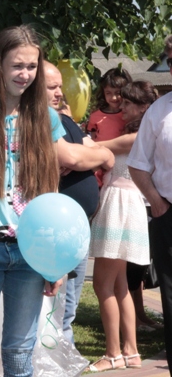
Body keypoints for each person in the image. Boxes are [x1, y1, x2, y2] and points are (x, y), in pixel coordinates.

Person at [0, 25, 66, 377]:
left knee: (20, 354)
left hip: (31, 250)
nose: (25, 74)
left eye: (32, 66)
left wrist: (54, 257)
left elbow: (50, 189)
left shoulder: (46, 118)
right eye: (17, 65)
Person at [86, 81, 157, 371]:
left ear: (143, 108)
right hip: (128, 205)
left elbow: (97, 148)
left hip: (119, 204)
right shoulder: (140, 134)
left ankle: (113, 354)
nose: (120, 106)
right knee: (120, 285)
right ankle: (131, 351)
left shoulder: (135, 137)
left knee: (102, 284)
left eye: (128, 103)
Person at [43, 61, 114, 345]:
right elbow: (72, 157)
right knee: (56, 307)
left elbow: (103, 156)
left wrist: (93, 156)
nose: (60, 93)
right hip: (56, 227)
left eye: (60, 86)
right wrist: (80, 157)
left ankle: (65, 356)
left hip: (78, 226)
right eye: (52, 87)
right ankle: (57, 357)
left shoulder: (65, 122)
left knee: (69, 305)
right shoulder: (39, 122)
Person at [128, 34, 172, 372]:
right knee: (170, 293)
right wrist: (156, 202)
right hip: (168, 213)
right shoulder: (159, 111)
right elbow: (137, 164)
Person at [86, 68, 132, 141]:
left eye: (118, 93)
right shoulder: (95, 115)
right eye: (108, 93)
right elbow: (93, 138)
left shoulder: (129, 115)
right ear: (103, 93)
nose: (114, 98)